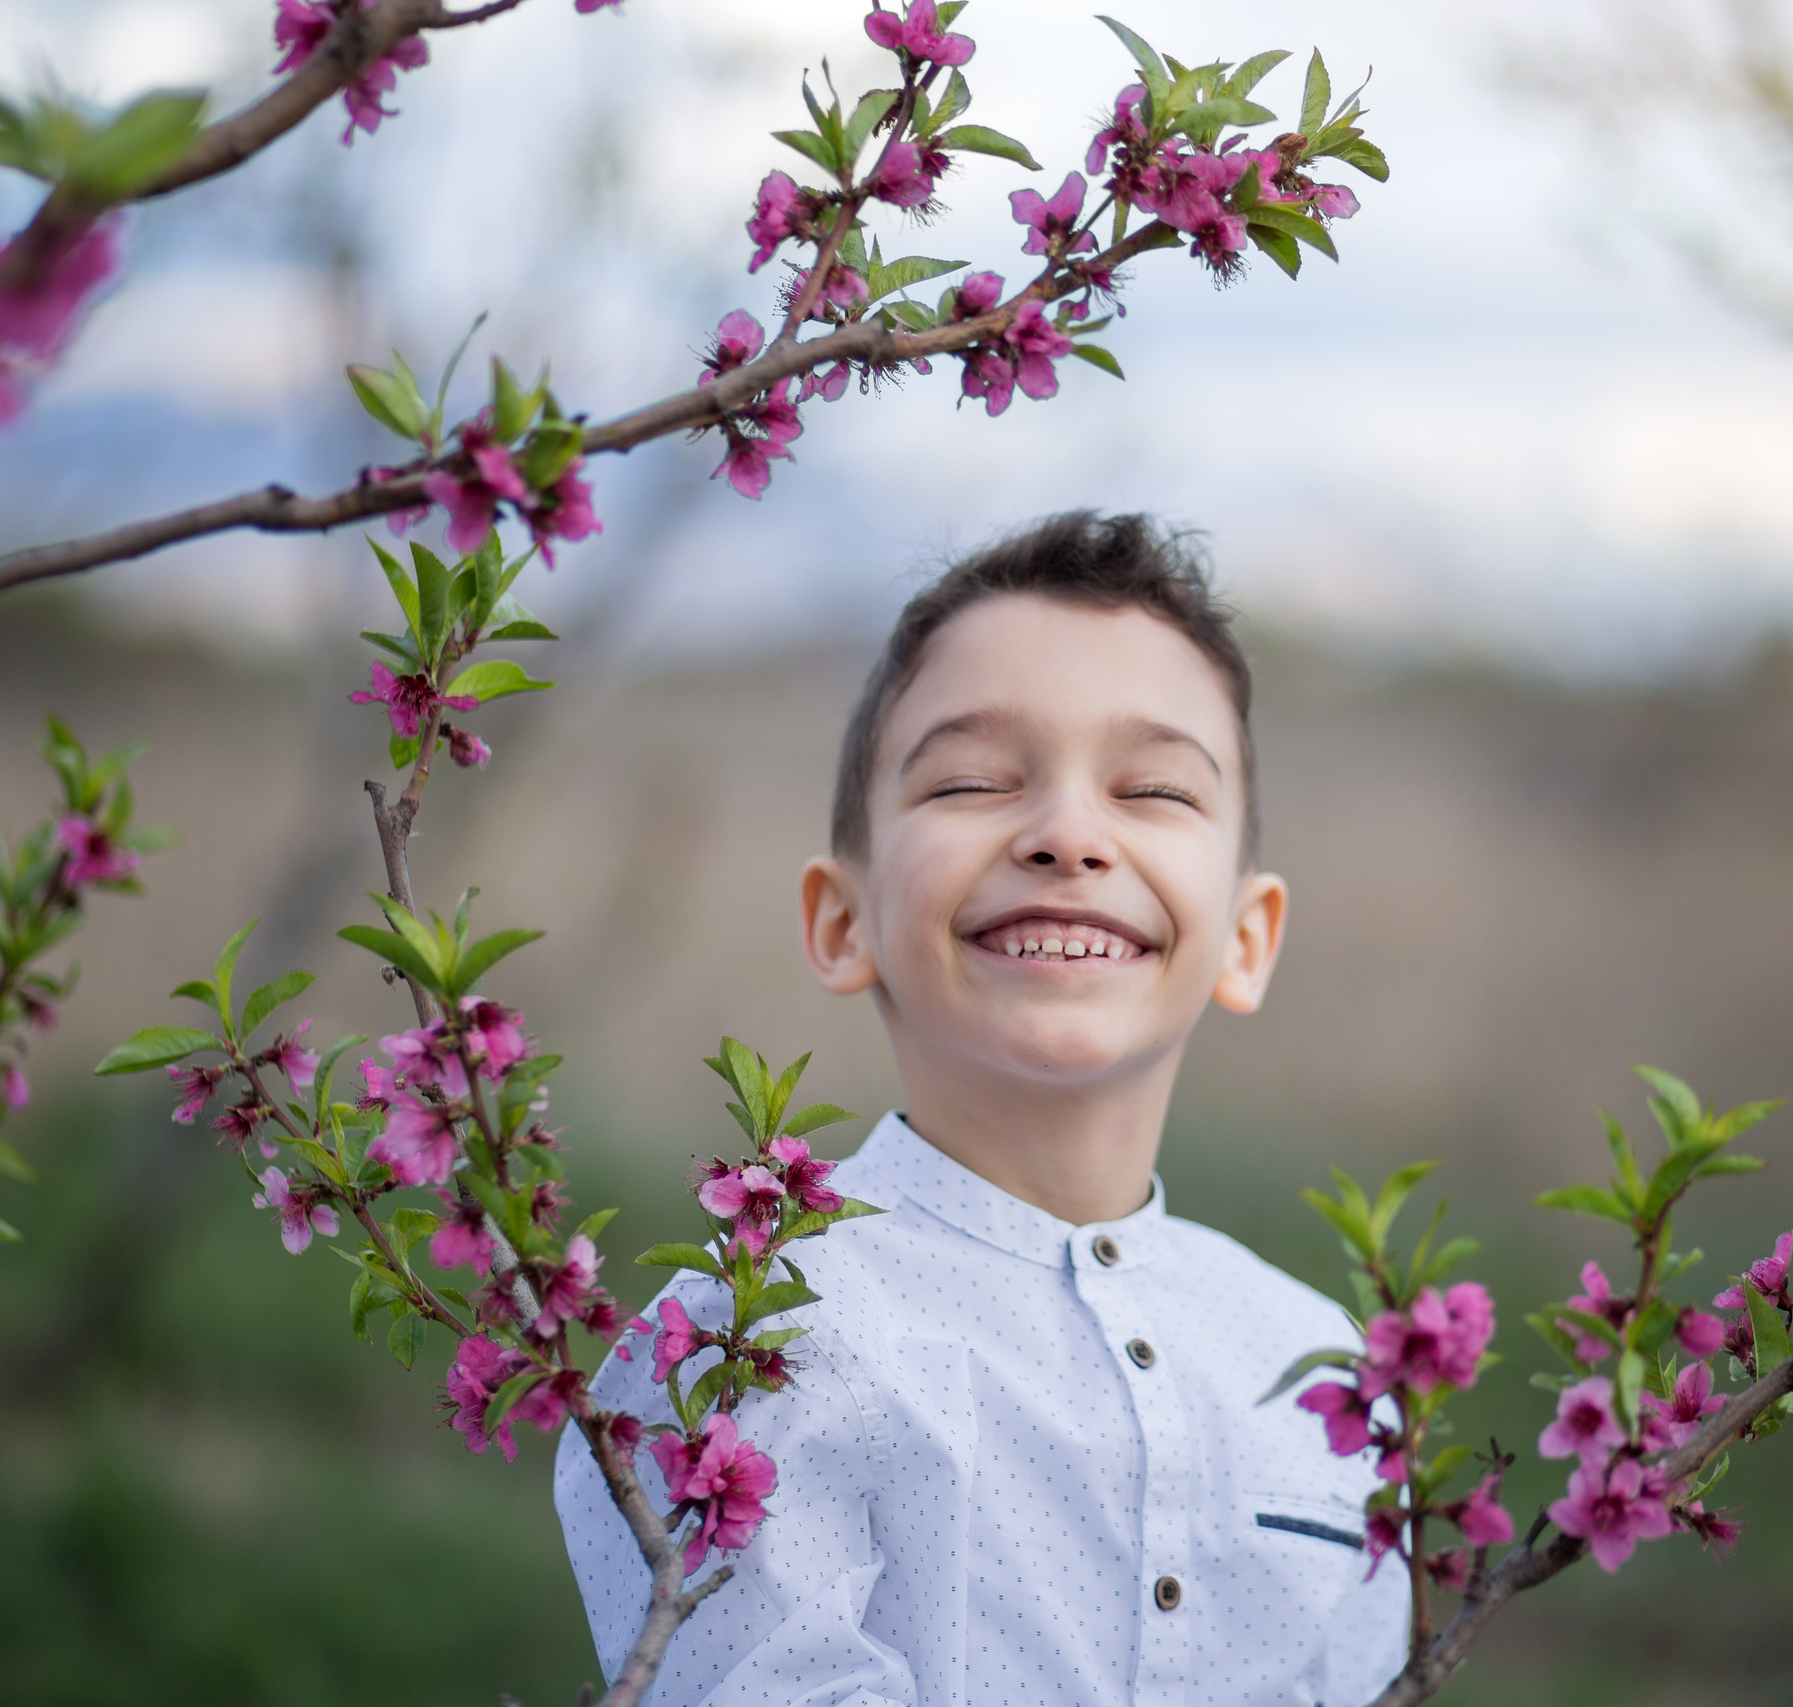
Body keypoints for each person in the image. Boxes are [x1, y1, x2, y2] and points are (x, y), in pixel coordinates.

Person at [555, 512, 1405, 1705]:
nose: (1065, 834)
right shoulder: (741, 1336)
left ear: (1248, 938)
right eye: (968, 780)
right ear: (841, 922)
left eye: (1154, 788)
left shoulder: (1321, 1367)